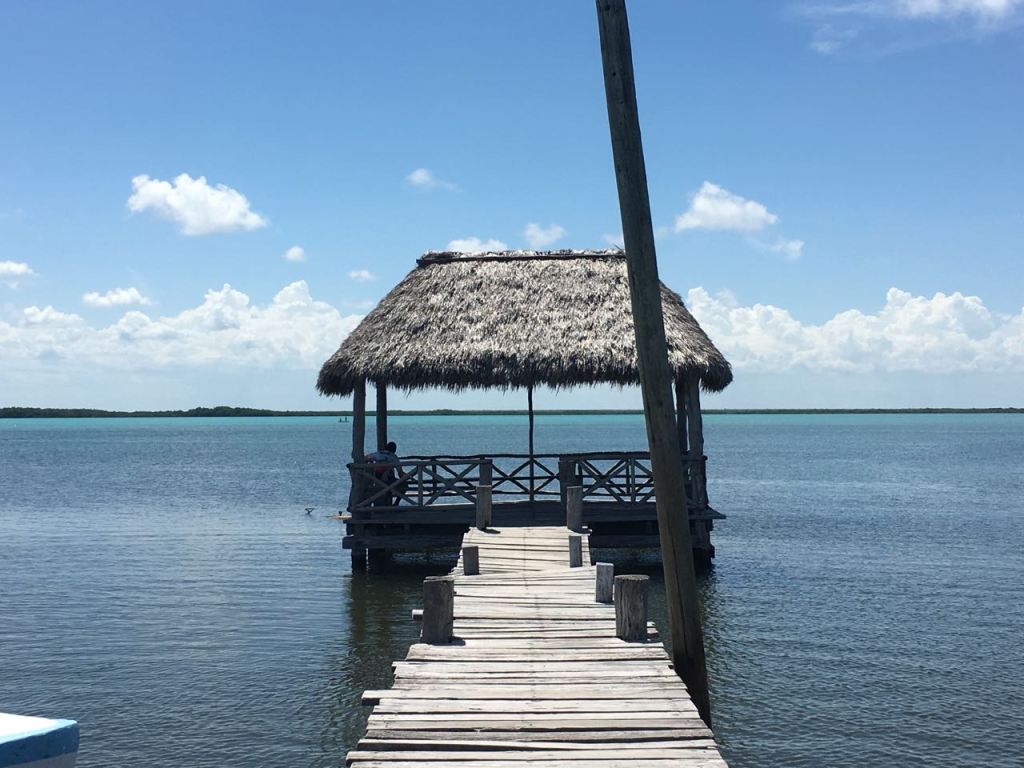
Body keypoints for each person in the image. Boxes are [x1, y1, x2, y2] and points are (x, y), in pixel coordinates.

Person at [364, 441, 402, 506]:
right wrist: (406, 477)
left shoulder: (377, 454)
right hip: (388, 479)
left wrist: (371, 463)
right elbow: (400, 472)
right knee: (403, 486)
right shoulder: (393, 457)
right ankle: (396, 504)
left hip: (376, 479)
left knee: (388, 487)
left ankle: (385, 503)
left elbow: (365, 458)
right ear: (394, 450)